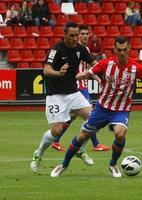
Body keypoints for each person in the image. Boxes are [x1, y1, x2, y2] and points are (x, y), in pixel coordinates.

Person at [50, 36, 142, 178]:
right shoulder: (106, 64)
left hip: (121, 110)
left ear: (129, 49)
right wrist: (69, 78)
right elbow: (87, 74)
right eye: (119, 50)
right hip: (102, 108)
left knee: (120, 134)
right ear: (115, 49)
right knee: (82, 136)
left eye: (124, 50)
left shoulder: (137, 68)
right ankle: (63, 164)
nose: (122, 52)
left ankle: (113, 164)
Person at [30, 22, 99, 173]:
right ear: (65, 35)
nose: (75, 38)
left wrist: (99, 72)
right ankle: (38, 153)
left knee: (95, 119)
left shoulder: (80, 49)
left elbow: (95, 64)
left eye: (77, 35)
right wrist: (58, 73)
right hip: (56, 96)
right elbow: (46, 70)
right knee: (56, 131)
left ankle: (80, 149)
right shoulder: (57, 50)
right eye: (72, 35)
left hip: (73, 94)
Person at [51, 25, 110, 152]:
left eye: (86, 34)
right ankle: (96, 144)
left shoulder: (84, 49)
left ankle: (55, 141)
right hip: (78, 87)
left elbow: (92, 69)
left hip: (83, 85)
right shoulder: (72, 49)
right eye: (82, 34)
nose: (84, 36)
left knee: (70, 118)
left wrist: (100, 80)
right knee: (92, 116)